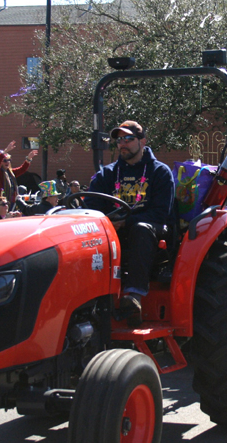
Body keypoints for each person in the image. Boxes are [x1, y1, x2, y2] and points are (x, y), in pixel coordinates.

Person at [86, 121, 175, 326]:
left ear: (142, 141)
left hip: (152, 230)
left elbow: (161, 213)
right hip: (112, 228)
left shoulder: (160, 172)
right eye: (119, 140)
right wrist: (107, 222)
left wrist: (125, 222)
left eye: (128, 139)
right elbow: (92, 205)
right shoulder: (106, 175)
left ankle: (134, 296)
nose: (122, 144)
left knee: (140, 229)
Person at [0, 140, 37, 208]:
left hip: (12, 202)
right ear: (0, 162)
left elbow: (22, 169)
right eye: (5, 160)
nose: (7, 162)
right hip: (0, 203)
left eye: (9, 160)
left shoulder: (10, 172)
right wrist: (5, 151)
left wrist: (29, 158)